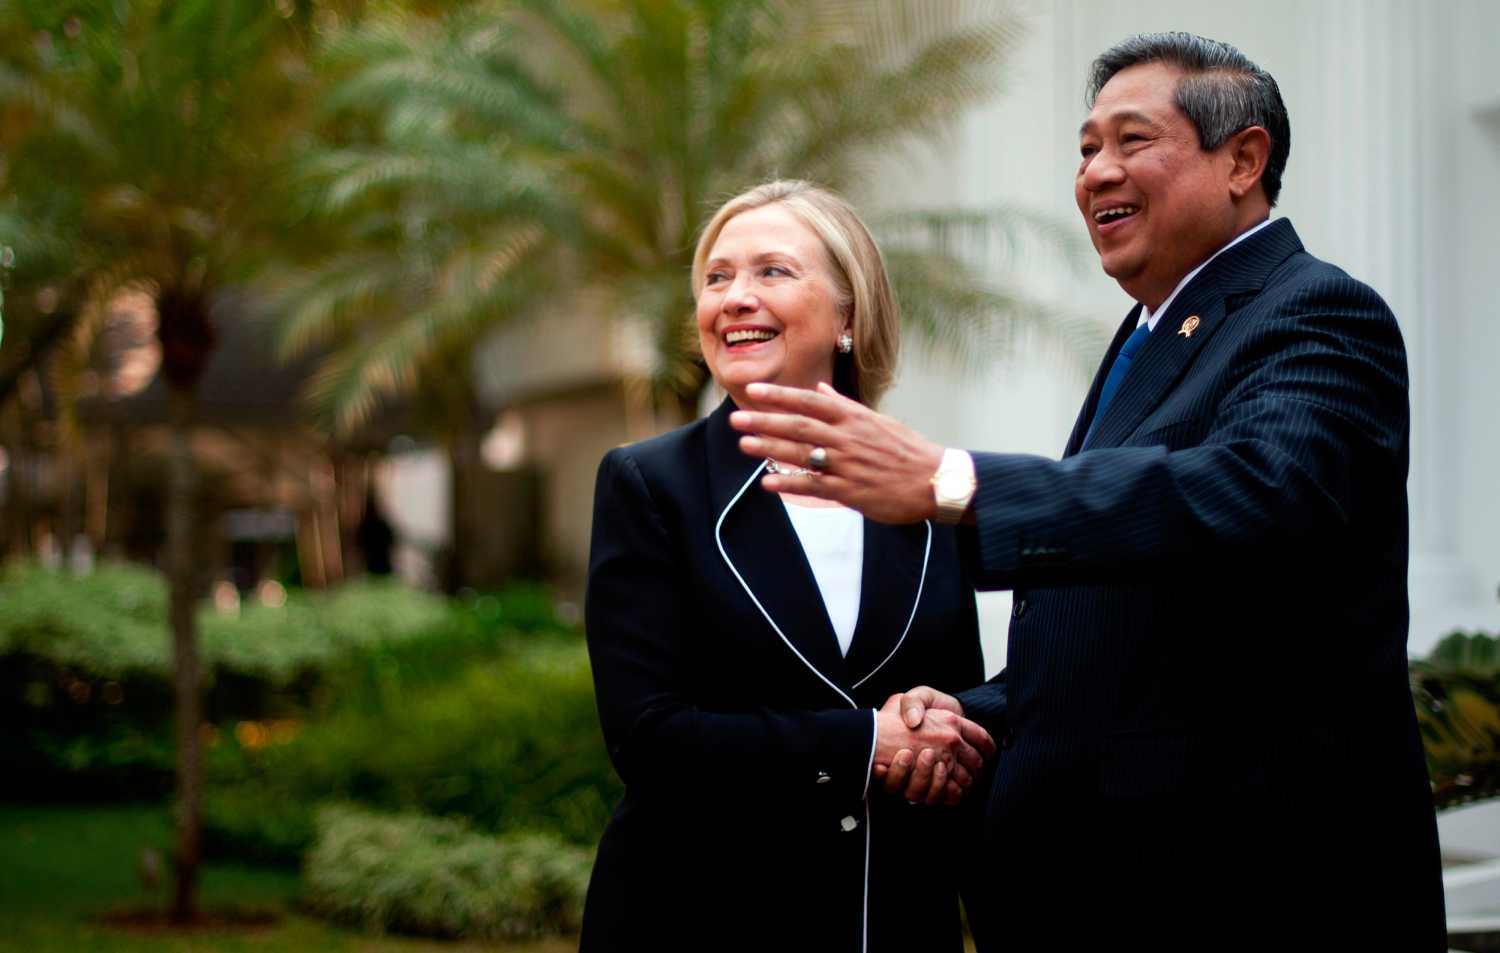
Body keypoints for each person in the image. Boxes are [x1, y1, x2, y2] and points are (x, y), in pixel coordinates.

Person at [729, 33, 1446, 952]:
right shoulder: (1154, 332)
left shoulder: (1317, 312)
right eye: (1085, 148)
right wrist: (964, 717)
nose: (1096, 172)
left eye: (1131, 141)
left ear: (1243, 160)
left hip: (1257, 890)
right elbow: (1129, 628)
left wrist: (954, 480)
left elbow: (1252, 493)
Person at [580, 180, 996, 953]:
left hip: (892, 918)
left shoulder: (923, 486)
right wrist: (863, 743)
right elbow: (647, 736)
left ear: (848, 316)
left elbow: (956, 724)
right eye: (717, 277)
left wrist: (938, 720)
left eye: (772, 270)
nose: (735, 296)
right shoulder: (650, 484)